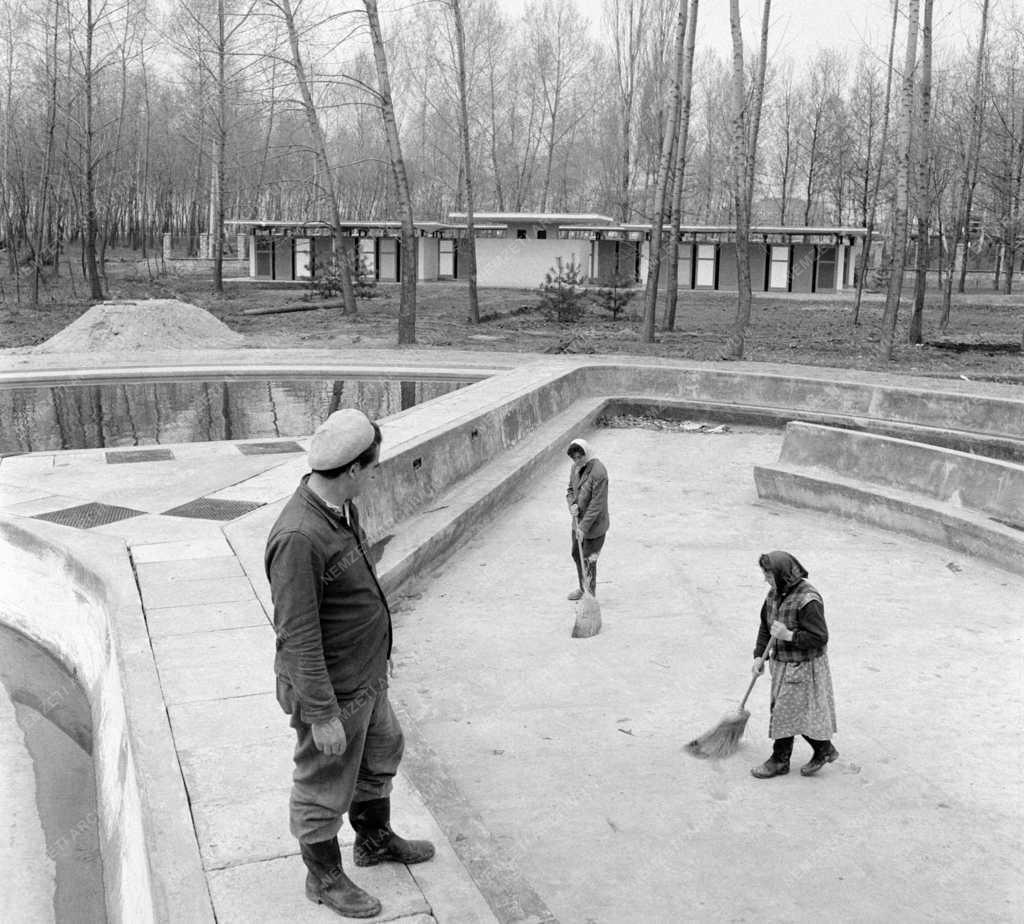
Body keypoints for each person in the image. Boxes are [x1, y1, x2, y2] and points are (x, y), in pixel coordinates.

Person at [265, 408, 434, 919]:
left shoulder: (340, 509)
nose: (377, 471)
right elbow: (296, 635)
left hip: (365, 677)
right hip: (331, 690)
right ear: (355, 470)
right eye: (375, 465)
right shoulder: (299, 537)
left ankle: (373, 839)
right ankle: (324, 877)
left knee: (384, 749)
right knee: (322, 784)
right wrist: (322, 715)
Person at [750, 550, 838, 780]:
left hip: (805, 667)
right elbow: (764, 627)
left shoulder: (809, 600)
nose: (766, 580)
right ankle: (824, 749)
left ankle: (779, 760)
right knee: (793, 712)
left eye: (768, 575)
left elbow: (820, 637)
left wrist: (789, 635)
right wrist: (759, 656)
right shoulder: (774, 594)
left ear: (782, 574)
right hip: (782, 664)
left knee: (783, 711)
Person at [565, 437, 609, 600]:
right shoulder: (575, 468)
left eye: (580, 457)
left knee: (589, 560)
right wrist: (572, 505)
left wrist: (583, 528)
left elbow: (597, 505)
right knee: (577, 555)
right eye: (574, 458)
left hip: (594, 527)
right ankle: (583, 588)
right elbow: (570, 490)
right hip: (577, 523)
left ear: (587, 453)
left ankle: (590, 596)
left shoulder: (599, 472)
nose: (577, 461)